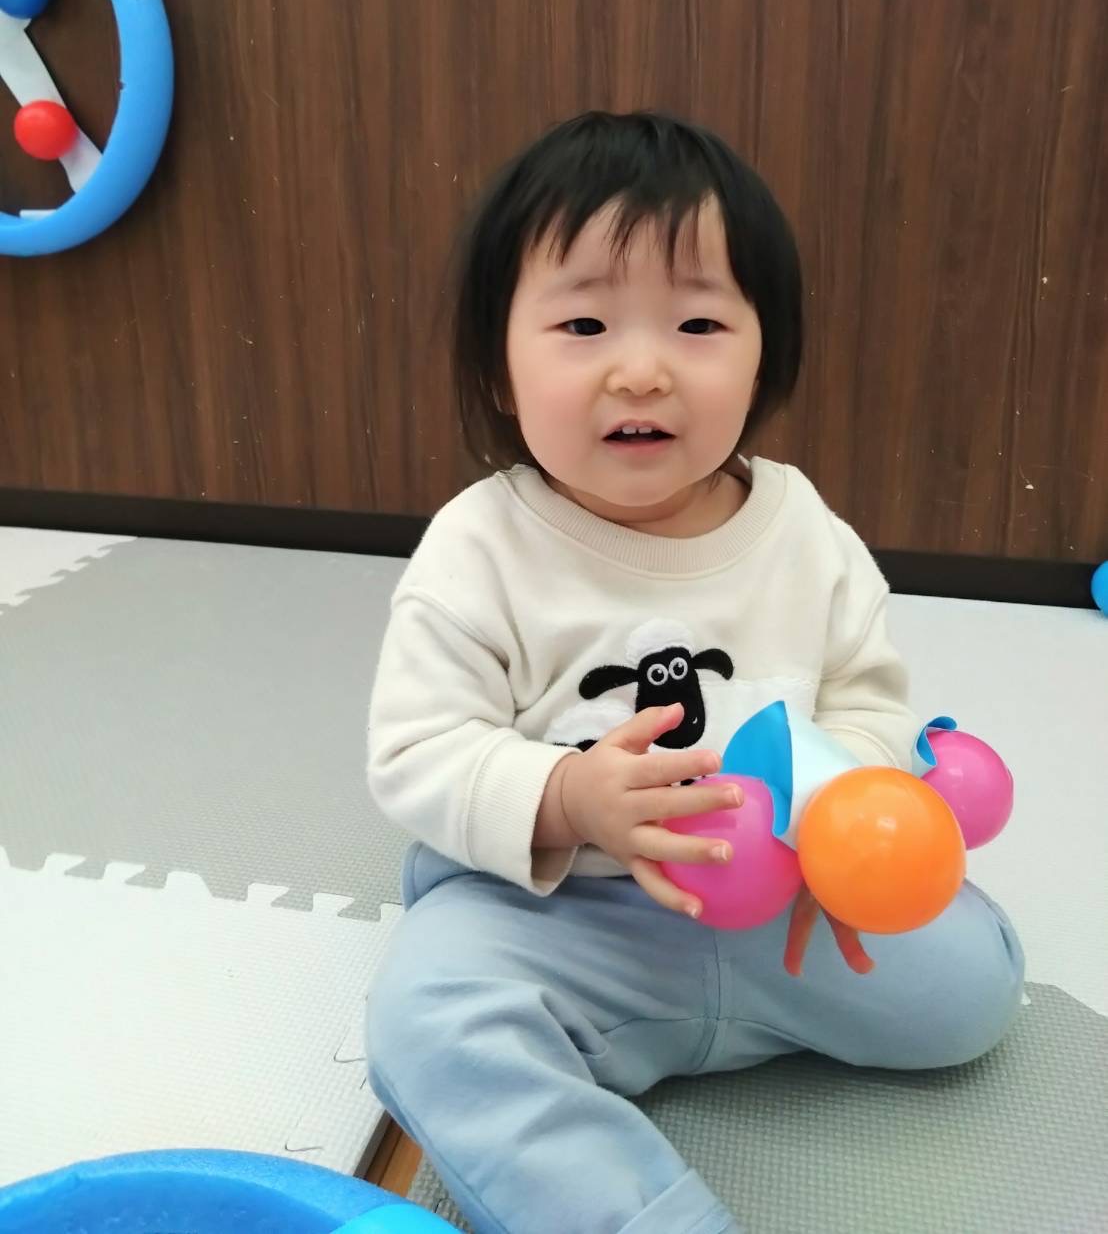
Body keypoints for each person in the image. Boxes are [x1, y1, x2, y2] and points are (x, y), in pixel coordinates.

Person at [365, 111, 1023, 1234]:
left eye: (699, 322)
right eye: (583, 323)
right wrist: (567, 796)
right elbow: (418, 751)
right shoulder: (478, 547)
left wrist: (845, 837)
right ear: (499, 368)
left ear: (765, 357)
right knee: (427, 1018)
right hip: (564, 914)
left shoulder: (804, 532)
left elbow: (864, 697)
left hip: (789, 911)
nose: (642, 370)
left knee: (972, 985)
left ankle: (716, 1017)